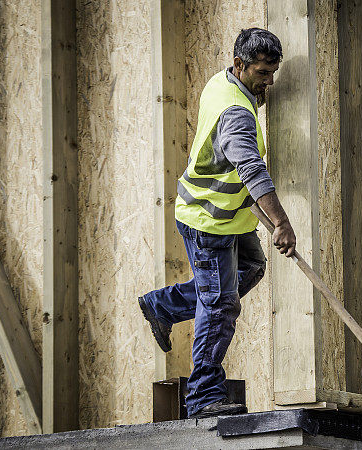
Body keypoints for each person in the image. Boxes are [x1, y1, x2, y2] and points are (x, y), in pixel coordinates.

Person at [138, 28, 297, 419]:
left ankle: (162, 305)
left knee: (251, 268)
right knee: (221, 303)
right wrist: (280, 222)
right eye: (263, 73)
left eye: (273, 72)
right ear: (241, 65)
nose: (270, 82)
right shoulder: (236, 115)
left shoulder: (226, 82)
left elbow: (239, 161)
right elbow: (251, 169)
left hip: (232, 217)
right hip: (207, 222)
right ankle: (204, 396)